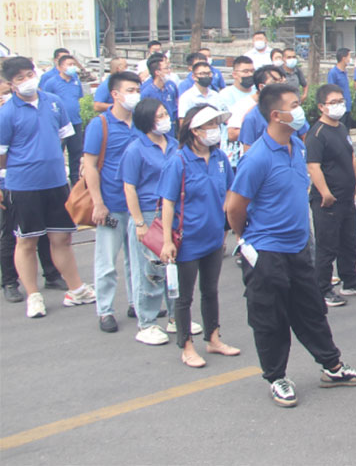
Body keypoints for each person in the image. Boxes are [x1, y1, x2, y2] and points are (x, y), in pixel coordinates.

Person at [226, 83, 356, 406]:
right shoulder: (257, 158)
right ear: (276, 115)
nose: (300, 109)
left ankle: (332, 366)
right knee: (270, 317)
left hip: (298, 246)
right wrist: (244, 236)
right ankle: (277, 377)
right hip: (266, 251)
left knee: (312, 311)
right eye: (294, 104)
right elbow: (234, 207)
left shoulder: (298, 145)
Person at [0, 57, 97, 319]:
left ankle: (76, 289)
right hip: (23, 186)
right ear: (11, 84)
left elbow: (66, 139)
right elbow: (2, 154)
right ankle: (33, 295)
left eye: (29, 74)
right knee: (26, 241)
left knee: (62, 238)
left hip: (56, 182)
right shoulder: (7, 113)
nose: (27, 80)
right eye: (19, 78)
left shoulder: (54, 102)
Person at [157, 105, 241, 366]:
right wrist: (167, 241)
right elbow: (167, 203)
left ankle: (213, 338)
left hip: (214, 238)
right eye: (210, 126)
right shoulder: (178, 162)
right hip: (187, 240)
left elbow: (230, 192)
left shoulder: (219, 159)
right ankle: (186, 346)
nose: (215, 131)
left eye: (218, 125)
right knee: (184, 297)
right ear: (194, 131)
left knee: (210, 290)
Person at [82, 69, 143, 333]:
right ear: (115, 95)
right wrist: (98, 203)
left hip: (139, 205)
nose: (135, 96)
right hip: (112, 203)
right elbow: (90, 166)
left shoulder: (142, 123)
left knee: (137, 259)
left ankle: (136, 303)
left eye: (138, 90)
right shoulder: (101, 124)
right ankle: (105, 310)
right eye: (130, 91)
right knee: (107, 261)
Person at [0, 76, 65, 304]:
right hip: (14, 183)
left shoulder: (48, 103)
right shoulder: (7, 112)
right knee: (14, 235)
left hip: (45, 180)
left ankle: (52, 274)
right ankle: (10, 281)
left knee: (46, 231)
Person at [307, 84, 356, 307]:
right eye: (333, 102)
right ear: (321, 107)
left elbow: (351, 157)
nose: (338, 106)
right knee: (327, 246)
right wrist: (325, 193)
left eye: (340, 101)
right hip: (328, 200)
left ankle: (350, 281)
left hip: (347, 197)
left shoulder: (341, 128)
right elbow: (314, 167)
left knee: (349, 241)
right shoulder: (317, 134)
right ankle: (323, 289)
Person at [121, 98, 178, 345]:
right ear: (146, 121)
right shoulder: (136, 149)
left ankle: (177, 316)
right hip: (147, 213)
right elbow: (129, 187)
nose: (165, 119)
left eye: (165, 113)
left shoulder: (174, 144)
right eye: (159, 115)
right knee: (150, 269)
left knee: (173, 266)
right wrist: (138, 223)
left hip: (172, 214)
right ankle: (147, 322)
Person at [41, 52, 85, 185]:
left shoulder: (75, 81)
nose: (72, 67)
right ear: (59, 67)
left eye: (73, 64)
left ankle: (75, 181)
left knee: (76, 153)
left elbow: (79, 98)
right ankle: (55, 179)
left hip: (75, 122)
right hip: (59, 124)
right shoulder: (51, 83)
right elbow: (45, 102)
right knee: (57, 152)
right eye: (68, 65)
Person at [140, 54, 180, 131]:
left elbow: (176, 103)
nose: (169, 71)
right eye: (166, 68)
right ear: (157, 72)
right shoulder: (147, 92)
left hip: (171, 127)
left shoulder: (171, 85)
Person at [326, 48, 353, 125]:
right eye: (349, 57)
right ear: (344, 58)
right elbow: (331, 91)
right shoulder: (333, 73)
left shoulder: (345, 72)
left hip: (347, 107)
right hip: (339, 108)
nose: (350, 59)